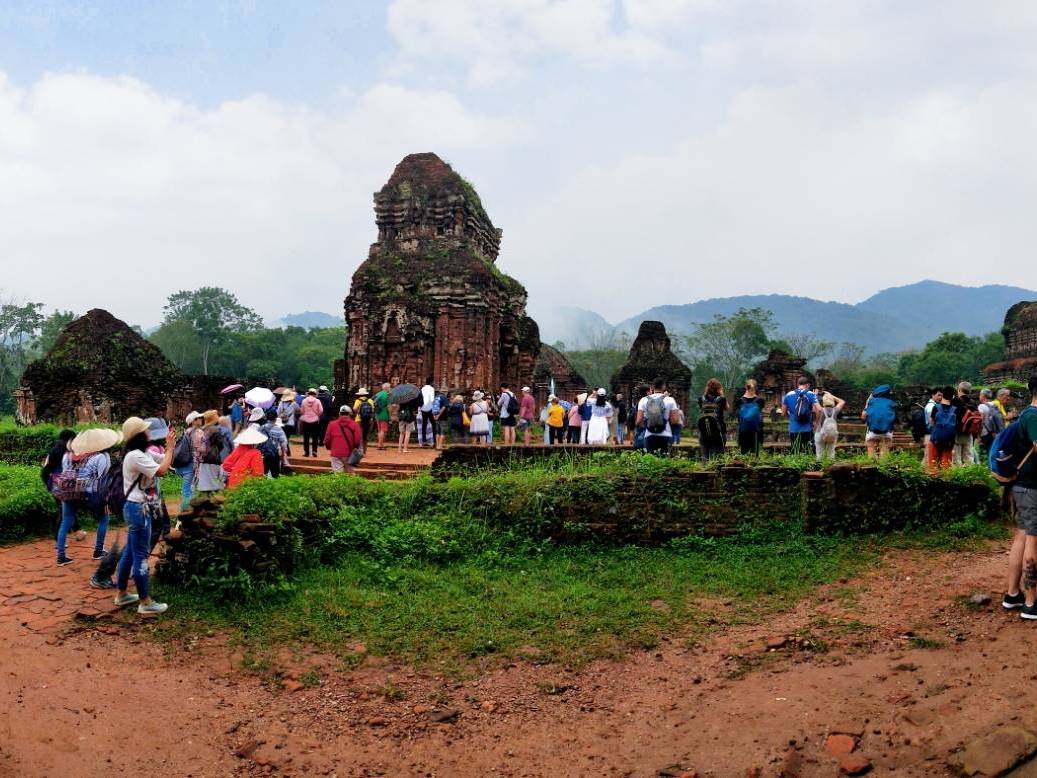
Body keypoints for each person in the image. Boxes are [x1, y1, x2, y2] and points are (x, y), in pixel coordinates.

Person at [113, 416, 175, 616]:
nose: (150, 432)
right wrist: (171, 448)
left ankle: (122, 594)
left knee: (131, 552)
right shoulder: (135, 457)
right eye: (146, 430)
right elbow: (163, 470)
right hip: (138, 509)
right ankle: (145, 601)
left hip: (137, 508)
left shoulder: (143, 453)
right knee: (140, 555)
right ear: (140, 435)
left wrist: (169, 448)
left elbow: (165, 461)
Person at [52, 427, 120, 567]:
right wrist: (107, 499)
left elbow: (65, 473)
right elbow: (103, 479)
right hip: (89, 492)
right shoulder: (101, 456)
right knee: (103, 518)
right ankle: (98, 551)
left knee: (66, 521)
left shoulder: (68, 455)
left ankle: (61, 557)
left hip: (69, 491)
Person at [1005, 375, 1037, 620]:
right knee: (1033, 541)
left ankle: (1013, 594)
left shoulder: (1026, 414)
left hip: (1024, 486)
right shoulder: (1034, 416)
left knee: (1023, 536)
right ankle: (1030, 602)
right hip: (1032, 487)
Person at [42, 428, 77, 539]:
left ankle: (75, 530)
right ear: (70, 439)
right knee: (64, 511)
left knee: (65, 509)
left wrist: (48, 483)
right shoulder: (67, 452)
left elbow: (46, 469)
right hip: (64, 484)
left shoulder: (53, 451)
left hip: (54, 483)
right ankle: (59, 537)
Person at [636, 377, 680, 456]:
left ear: (652, 387)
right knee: (664, 462)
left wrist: (648, 425)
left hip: (649, 435)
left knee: (650, 461)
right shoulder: (670, 400)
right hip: (666, 434)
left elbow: (639, 420)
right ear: (663, 387)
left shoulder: (643, 400)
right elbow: (675, 420)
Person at [781, 376, 821, 454]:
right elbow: (819, 410)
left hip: (794, 429)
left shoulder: (788, 395)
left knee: (796, 452)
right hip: (807, 429)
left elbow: (783, 413)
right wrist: (816, 422)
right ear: (808, 385)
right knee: (810, 453)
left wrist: (791, 414)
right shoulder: (811, 394)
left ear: (797, 384)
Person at [172, 411, 202, 511]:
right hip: (191, 465)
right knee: (189, 490)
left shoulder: (186, 432)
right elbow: (202, 450)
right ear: (193, 421)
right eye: (198, 418)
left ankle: (187, 511)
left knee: (187, 489)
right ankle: (185, 513)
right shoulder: (198, 432)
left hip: (181, 465)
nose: (200, 420)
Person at [861, 384, 897, 460]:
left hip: (872, 431)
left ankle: (871, 468)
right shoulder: (892, 403)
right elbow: (895, 418)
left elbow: (863, 415)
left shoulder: (871, 402)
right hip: (887, 431)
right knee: (885, 452)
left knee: (871, 450)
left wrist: (865, 421)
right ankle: (883, 468)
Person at [325, 405, 364, 473]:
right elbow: (357, 441)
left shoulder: (332, 424)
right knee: (350, 473)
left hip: (336, 453)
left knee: (338, 475)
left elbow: (327, 440)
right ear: (350, 414)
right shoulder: (355, 425)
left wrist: (330, 448)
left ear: (339, 413)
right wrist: (355, 448)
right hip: (349, 453)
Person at [732, 379, 765, 455]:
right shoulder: (760, 401)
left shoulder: (739, 401)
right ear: (756, 388)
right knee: (755, 454)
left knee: (744, 453)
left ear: (745, 387)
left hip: (743, 431)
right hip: (756, 431)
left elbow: (738, 416)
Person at [927, 386, 956, 471]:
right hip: (949, 442)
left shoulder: (936, 407)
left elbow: (931, 423)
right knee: (946, 467)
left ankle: (933, 480)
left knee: (933, 466)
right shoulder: (955, 410)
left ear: (943, 395)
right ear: (952, 397)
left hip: (935, 440)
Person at [951, 381, 980, 465]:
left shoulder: (955, 401)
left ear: (959, 390)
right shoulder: (973, 403)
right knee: (969, 458)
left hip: (957, 433)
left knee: (956, 458)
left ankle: (958, 476)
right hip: (969, 433)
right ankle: (970, 475)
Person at [697, 379, 727, 459]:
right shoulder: (721, 399)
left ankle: (704, 468)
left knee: (705, 456)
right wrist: (722, 394)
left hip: (703, 432)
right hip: (718, 431)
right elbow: (727, 408)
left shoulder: (701, 399)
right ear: (718, 388)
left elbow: (701, 410)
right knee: (718, 456)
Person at [815, 392, 846, 460]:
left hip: (820, 433)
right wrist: (831, 396)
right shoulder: (835, 410)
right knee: (831, 453)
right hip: (832, 434)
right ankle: (830, 466)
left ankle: (819, 466)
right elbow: (842, 401)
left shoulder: (820, 410)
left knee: (819, 454)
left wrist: (815, 395)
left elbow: (814, 402)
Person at [259, 409, 288, 477]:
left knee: (263, 474)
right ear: (276, 418)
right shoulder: (278, 429)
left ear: (266, 417)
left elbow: (258, 442)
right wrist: (283, 457)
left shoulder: (261, 428)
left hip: (263, 455)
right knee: (275, 475)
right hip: (274, 454)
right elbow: (283, 444)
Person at [978, 388, 1005, 460]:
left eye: (980, 394)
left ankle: (987, 468)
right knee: (993, 451)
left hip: (985, 434)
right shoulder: (994, 405)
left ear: (983, 396)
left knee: (985, 454)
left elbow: (980, 421)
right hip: (995, 432)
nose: (979, 396)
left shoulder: (981, 406)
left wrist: (978, 436)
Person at [299, 388, 324, 458]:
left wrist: (306, 414)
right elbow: (321, 410)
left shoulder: (304, 401)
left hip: (306, 421)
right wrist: (317, 415)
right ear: (315, 394)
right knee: (315, 436)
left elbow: (302, 411)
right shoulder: (317, 401)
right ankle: (314, 451)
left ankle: (306, 452)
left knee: (306, 437)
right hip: (315, 421)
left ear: (308, 393)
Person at [353, 388, 375, 453]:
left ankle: (360, 449)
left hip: (359, 419)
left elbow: (354, 409)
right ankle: (364, 450)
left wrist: (358, 412)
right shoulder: (370, 400)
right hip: (368, 420)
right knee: (366, 435)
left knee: (359, 435)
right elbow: (373, 410)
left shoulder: (358, 401)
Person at [419, 377, 437, 447]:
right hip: (430, 409)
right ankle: (435, 442)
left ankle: (423, 441)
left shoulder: (422, 389)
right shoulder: (432, 389)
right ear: (431, 382)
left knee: (424, 425)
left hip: (423, 408)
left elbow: (421, 398)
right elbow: (432, 399)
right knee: (433, 425)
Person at [374, 383, 391, 450]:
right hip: (384, 413)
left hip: (377, 413)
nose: (390, 388)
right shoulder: (387, 395)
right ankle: (380, 445)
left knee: (379, 430)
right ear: (387, 388)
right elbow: (388, 406)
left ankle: (380, 444)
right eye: (389, 387)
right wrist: (390, 414)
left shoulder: (378, 394)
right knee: (383, 430)